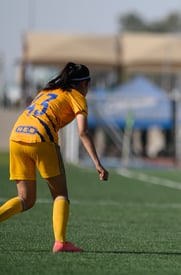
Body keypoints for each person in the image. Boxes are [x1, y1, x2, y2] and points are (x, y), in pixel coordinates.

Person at [0, 62, 109, 252]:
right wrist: (98, 164)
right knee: (60, 195)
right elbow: (83, 132)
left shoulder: (47, 91)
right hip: (42, 139)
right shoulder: (77, 96)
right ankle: (60, 242)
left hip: (16, 137)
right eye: (89, 84)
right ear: (84, 84)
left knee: (25, 199)